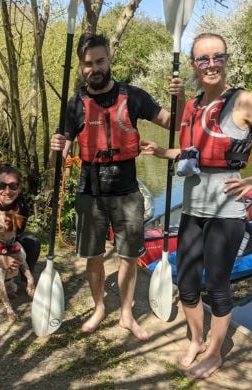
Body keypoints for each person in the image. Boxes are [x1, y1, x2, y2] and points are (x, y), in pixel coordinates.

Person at [141, 33, 252, 379]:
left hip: (227, 211)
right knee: (189, 281)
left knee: (219, 283)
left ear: (226, 60)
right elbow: (192, 152)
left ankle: (215, 351)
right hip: (194, 208)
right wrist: (163, 152)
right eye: (202, 59)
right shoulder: (193, 105)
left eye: (217, 57)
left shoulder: (243, 102)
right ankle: (196, 338)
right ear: (194, 65)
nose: (210, 64)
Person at [50, 33, 184, 341]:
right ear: (81, 67)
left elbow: (175, 123)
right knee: (93, 257)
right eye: (87, 64)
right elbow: (60, 153)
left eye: (99, 61)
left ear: (109, 60)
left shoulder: (134, 96)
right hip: (90, 193)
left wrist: (180, 97)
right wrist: (56, 146)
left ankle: (126, 313)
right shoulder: (75, 106)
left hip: (127, 193)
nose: (93, 68)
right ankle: (99, 308)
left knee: (127, 257)